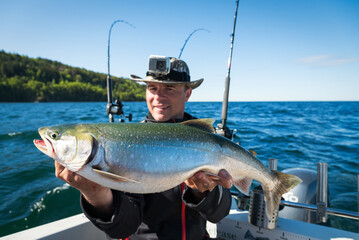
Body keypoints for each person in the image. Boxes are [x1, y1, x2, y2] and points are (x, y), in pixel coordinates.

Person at [55, 56, 233, 240]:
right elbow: (123, 229)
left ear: (187, 93)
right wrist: (98, 195)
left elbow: (219, 214)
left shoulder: (208, 140)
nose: (158, 97)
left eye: (169, 88)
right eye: (152, 88)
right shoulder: (128, 143)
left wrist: (201, 193)